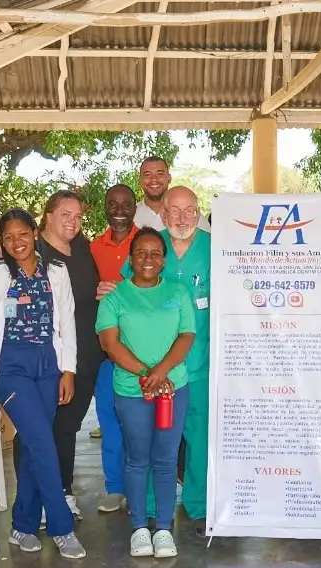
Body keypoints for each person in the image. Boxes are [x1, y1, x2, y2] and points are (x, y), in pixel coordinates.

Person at [0, 209, 87, 559]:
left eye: (22, 234)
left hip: (49, 363)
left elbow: (68, 323)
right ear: (2, 240)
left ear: (35, 233)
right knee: (43, 442)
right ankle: (61, 526)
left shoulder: (56, 271)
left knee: (31, 445)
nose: (17, 242)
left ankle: (22, 526)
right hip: (11, 366)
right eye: (9, 237)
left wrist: (68, 370)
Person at [96, 226, 195, 559]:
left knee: (166, 460)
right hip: (131, 390)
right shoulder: (115, 298)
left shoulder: (179, 292)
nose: (148, 259)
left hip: (172, 388)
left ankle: (164, 528)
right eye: (141, 253)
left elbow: (186, 337)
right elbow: (110, 345)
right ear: (130, 258)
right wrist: (145, 373)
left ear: (164, 260)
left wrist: (161, 372)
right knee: (137, 459)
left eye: (155, 253)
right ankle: (139, 527)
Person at [119, 186, 211, 533]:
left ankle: (198, 504)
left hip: (199, 362)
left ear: (198, 212)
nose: (183, 217)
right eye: (175, 210)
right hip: (153, 366)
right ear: (163, 214)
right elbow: (129, 296)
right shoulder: (150, 245)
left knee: (199, 438)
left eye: (190, 210)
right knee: (157, 442)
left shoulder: (214, 248)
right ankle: (156, 509)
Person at [32, 190, 104, 519]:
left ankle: (63, 491)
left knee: (67, 427)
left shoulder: (84, 249)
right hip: (46, 358)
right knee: (38, 427)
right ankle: (40, 498)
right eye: (65, 215)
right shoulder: (33, 252)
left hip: (85, 355)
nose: (73, 222)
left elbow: (90, 291)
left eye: (78, 217)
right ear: (48, 216)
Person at [90, 183, 140, 513]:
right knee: (109, 419)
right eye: (113, 203)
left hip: (143, 351)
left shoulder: (151, 241)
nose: (119, 209)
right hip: (106, 350)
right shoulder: (93, 247)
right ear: (105, 208)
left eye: (125, 204)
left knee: (139, 424)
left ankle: (141, 488)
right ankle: (114, 487)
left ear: (134, 208)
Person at [133, 156, 210, 232]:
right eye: (147, 175)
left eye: (160, 174)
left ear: (169, 178)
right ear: (140, 180)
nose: (154, 179)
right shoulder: (131, 215)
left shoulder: (192, 217)